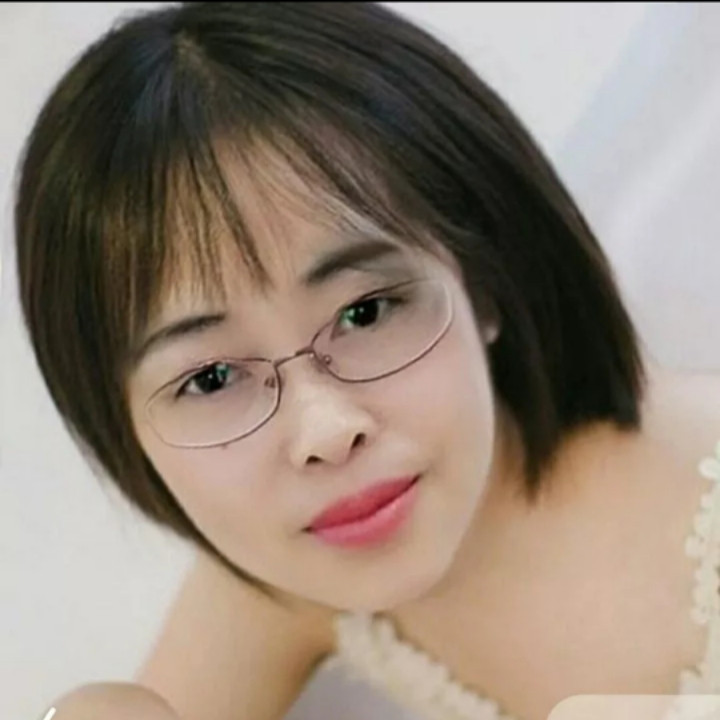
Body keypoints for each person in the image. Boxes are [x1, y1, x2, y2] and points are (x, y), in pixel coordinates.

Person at [13, 3, 720, 720]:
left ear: (484, 281)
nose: (325, 431)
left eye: (367, 312)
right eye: (212, 379)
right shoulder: (289, 576)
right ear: (124, 427)